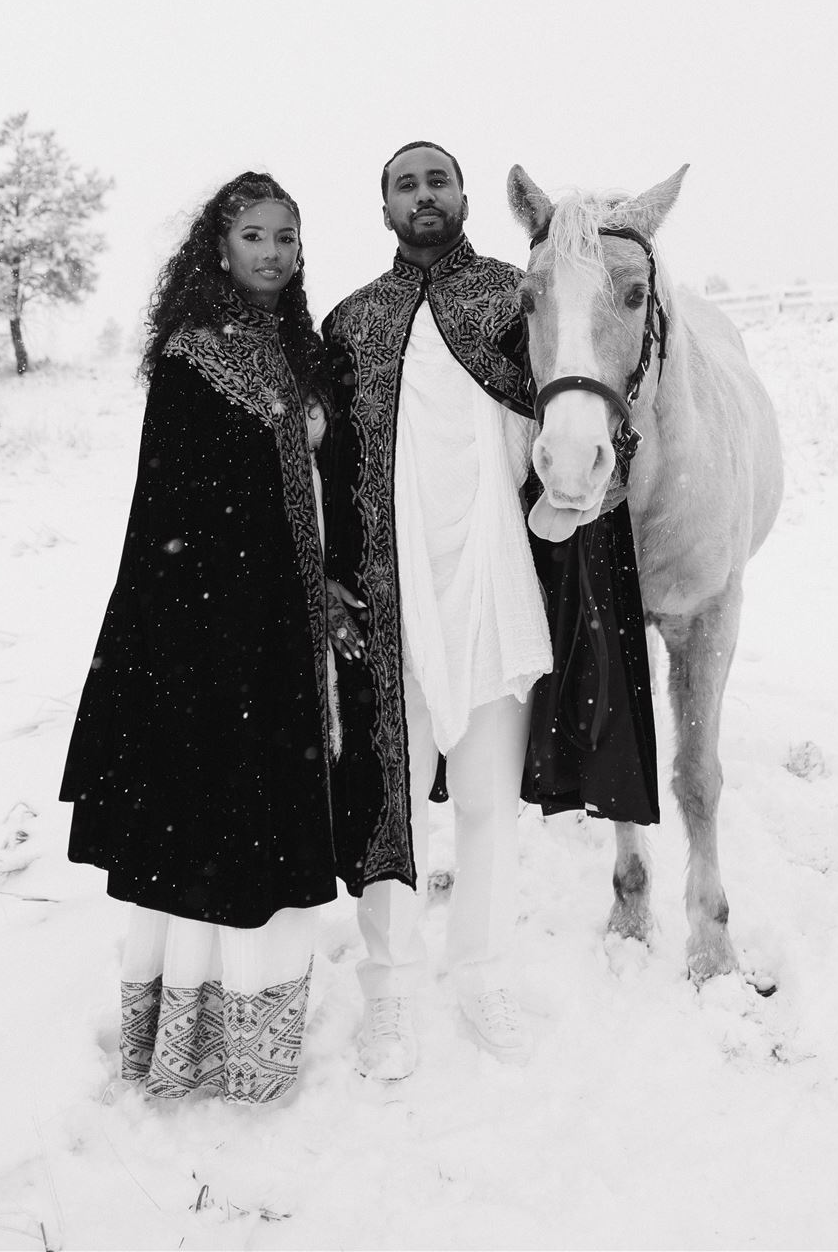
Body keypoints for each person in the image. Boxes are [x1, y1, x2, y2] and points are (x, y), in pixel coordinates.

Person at [60, 172, 349, 1104]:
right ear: (218, 248)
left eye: (287, 237)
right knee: (215, 830)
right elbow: (168, 514)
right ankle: (193, 1048)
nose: (273, 252)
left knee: (262, 826)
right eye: (255, 235)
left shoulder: (293, 352)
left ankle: (256, 1043)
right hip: (212, 636)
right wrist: (202, 642)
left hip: (282, 632)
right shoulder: (195, 356)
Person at [323, 141, 552, 1078]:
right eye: (403, 185)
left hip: (495, 590)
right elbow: (324, 467)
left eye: (437, 181)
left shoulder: (512, 300)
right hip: (388, 600)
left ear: (463, 197)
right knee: (393, 808)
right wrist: (333, 577)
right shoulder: (352, 323)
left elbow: (571, 413)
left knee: (490, 804)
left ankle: (483, 972)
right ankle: (389, 993)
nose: (422, 195)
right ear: (382, 209)